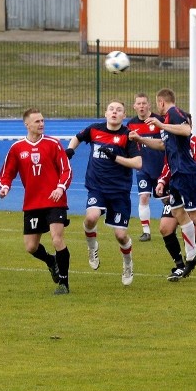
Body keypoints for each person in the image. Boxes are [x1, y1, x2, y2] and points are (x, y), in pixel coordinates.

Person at [133, 88, 196, 282]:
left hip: (187, 173)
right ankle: (191, 255)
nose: (157, 107)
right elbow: (162, 146)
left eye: (157, 103)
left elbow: (186, 130)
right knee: (178, 213)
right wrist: (141, 139)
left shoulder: (173, 113)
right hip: (177, 176)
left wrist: (160, 124)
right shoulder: (166, 124)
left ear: (162, 102)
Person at [66, 100, 143, 286]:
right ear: (106, 113)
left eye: (119, 110)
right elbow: (77, 137)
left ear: (124, 116)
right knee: (91, 217)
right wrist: (70, 149)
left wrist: (115, 157)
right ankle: (92, 247)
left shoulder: (128, 136)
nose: (114, 112)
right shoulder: (94, 130)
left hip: (119, 192)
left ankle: (127, 264)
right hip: (97, 187)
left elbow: (138, 163)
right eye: (111, 109)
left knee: (121, 236)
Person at [0, 108, 73, 295]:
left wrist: (60, 188)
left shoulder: (53, 144)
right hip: (32, 203)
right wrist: (5, 186)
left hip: (55, 200)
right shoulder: (17, 148)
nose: (41, 124)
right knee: (31, 247)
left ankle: (63, 283)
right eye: (37, 121)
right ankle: (50, 261)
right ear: (27, 124)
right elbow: (7, 172)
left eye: (42, 120)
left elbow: (66, 170)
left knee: (57, 239)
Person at [156, 133, 196, 280]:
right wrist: (162, 181)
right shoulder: (171, 143)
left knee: (195, 230)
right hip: (176, 189)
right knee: (165, 227)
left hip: (194, 190)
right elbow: (168, 165)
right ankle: (180, 265)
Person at [126, 93, 165, 242]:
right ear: (134, 106)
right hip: (143, 168)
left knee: (167, 200)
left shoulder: (158, 121)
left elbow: (165, 143)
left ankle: (179, 224)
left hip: (161, 167)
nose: (141, 106)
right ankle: (146, 232)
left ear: (149, 105)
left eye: (144, 103)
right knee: (143, 197)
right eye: (139, 104)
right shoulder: (131, 125)